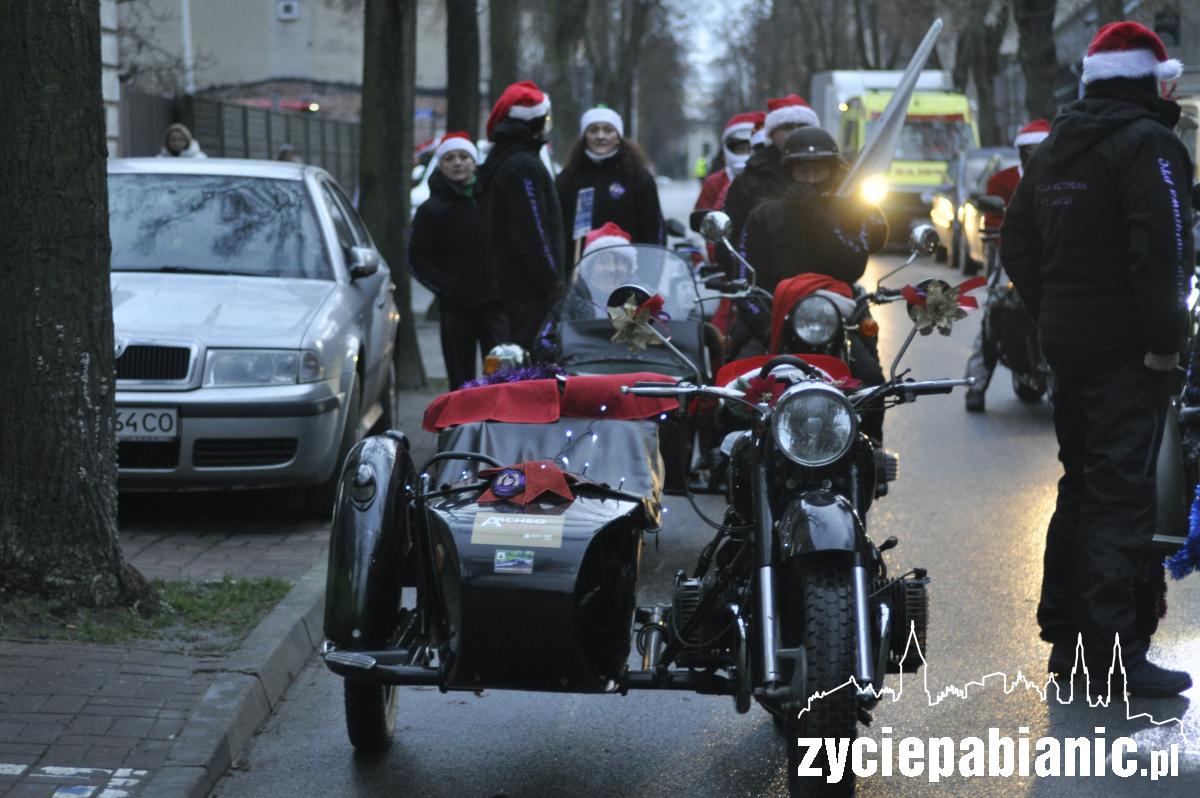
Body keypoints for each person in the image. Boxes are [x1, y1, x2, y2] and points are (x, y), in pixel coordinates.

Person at [1002, 21, 1194, 697]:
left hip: (1068, 343)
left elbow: (1014, 241)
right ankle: (1117, 653)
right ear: (1151, 81)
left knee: (1081, 484)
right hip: (1130, 351)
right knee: (1121, 492)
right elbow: (1164, 253)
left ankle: (1069, 640)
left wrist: (1049, 307)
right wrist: (1166, 344)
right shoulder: (1152, 145)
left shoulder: (1057, 146)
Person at [741, 126, 889, 437]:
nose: (810, 179)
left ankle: (870, 448)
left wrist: (817, 215)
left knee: (871, 380)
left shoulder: (851, 211)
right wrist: (768, 326)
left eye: (818, 169)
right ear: (789, 171)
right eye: (802, 170)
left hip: (839, 317)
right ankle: (733, 454)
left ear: (833, 170)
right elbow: (745, 281)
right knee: (734, 379)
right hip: (775, 315)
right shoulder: (763, 215)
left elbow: (853, 264)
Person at [963, 119, 1050, 412]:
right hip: (1011, 261)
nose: (1036, 154)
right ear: (1022, 151)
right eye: (1030, 150)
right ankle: (976, 385)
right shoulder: (1003, 180)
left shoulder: (1061, 176)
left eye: (1042, 149)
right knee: (995, 313)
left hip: (1051, 261)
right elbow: (992, 222)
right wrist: (1003, 235)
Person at [409, 132, 508, 389]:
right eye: (450, 158)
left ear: (474, 162)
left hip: (494, 303)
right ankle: (462, 426)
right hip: (456, 307)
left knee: (501, 376)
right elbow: (417, 258)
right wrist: (447, 287)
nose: (458, 163)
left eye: (464, 157)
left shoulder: (492, 198)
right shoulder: (431, 210)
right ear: (441, 166)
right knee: (461, 379)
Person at [477, 80, 566, 351]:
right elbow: (532, 234)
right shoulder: (522, 167)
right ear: (535, 123)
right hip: (527, 297)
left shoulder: (504, 161)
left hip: (508, 291)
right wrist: (553, 284)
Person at [556, 105, 664, 269]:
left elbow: (653, 228)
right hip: (579, 272)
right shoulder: (568, 177)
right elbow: (557, 228)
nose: (601, 136)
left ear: (618, 135)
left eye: (608, 130)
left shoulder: (637, 176)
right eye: (593, 130)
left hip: (626, 270)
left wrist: (649, 275)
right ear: (584, 135)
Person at [721, 94, 820, 271]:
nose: (796, 132)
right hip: (765, 283)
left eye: (803, 126)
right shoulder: (749, 179)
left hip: (825, 281)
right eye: (787, 127)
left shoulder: (835, 173)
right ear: (772, 134)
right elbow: (731, 235)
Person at [560, 223, 640, 321]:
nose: (612, 269)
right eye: (603, 261)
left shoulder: (645, 297)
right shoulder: (569, 301)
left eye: (620, 260)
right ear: (590, 268)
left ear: (629, 267)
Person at [695, 112, 762, 212]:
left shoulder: (768, 176)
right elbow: (703, 219)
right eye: (741, 149)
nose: (746, 154)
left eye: (750, 149)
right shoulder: (714, 182)